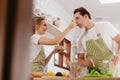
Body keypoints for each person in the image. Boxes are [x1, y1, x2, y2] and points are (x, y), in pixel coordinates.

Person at [73, 7, 120, 76]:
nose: (75, 22)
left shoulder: (105, 26)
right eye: (74, 19)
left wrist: (118, 54)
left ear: (86, 16)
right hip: (93, 73)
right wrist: (86, 63)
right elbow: (80, 60)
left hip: (111, 71)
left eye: (77, 18)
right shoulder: (81, 38)